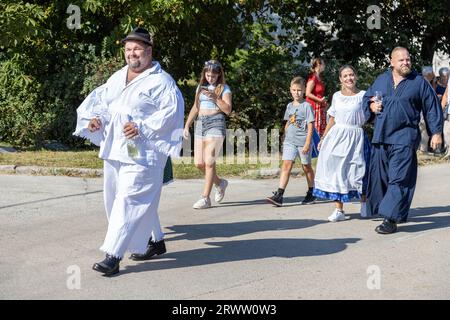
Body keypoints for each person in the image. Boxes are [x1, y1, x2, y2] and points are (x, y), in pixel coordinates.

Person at [73, 27, 184, 275]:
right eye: (128, 49)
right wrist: (95, 119)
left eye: (137, 49)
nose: (132, 54)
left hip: (143, 155)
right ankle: (155, 241)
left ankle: (112, 256)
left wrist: (142, 126)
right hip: (115, 149)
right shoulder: (118, 76)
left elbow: (172, 115)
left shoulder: (162, 82)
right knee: (115, 198)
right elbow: (104, 103)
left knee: (129, 199)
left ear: (149, 51)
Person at [363, 46, 443, 234]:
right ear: (392, 62)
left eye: (408, 59)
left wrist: (436, 132)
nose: (406, 62)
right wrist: (371, 106)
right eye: (401, 60)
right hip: (381, 136)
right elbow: (367, 98)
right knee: (382, 178)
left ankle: (390, 219)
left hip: (405, 137)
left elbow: (431, 107)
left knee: (399, 178)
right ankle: (397, 211)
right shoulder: (381, 80)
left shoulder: (418, 82)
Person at [313, 65, 371, 222]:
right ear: (340, 79)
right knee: (336, 172)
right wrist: (323, 138)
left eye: (351, 75)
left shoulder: (364, 95)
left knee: (359, 171)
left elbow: (372, 114)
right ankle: (339, 210)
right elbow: (332, 118)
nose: (349, 78)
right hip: (337, 137)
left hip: (356, 136)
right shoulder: (337, 96)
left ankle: (365, 204)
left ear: (356, 76)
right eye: (345, 76)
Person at [183, 60, 232, 209]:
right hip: (200, 124)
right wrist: (187, 125)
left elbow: (228, 110)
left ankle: (205, 198)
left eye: (213, 75)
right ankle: (220, 183)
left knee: (209, 162)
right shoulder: (200, 87)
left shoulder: (224, 88)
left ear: (219, 75)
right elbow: (195, 107)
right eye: (208, 75)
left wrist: (215, 98)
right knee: (199, 163)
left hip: (216, 123)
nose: (210, 78)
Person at [266, 76, 316, 206]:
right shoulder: (289, 105)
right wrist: (285, 134)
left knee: (306, 167)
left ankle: (312, 192)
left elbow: (311, 127)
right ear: (290, 90)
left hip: (303, 142)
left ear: (304, 90)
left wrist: (307, 144)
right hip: (290, 141)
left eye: (299, 90)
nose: (296, 93)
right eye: (294, 90)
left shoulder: (307, 106)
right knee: (286, 165)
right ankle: (279, 195)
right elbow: (288, 121)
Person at [306, 57, 328, 137]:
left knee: (319, 130)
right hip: (313, 107)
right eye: (323, 63)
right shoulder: (313, 77)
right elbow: (307, 93)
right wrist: (319, 100)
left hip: (319, 106)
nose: (324, 65)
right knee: (313, 128)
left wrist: (323, 102)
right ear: (318, 65)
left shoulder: (319, 77)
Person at [418, 66, 437, 152]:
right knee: (422, 130)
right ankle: (421, 149)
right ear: (429, 74)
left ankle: (422, 150)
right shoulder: (423, 83)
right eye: (432, 73)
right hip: (421, 111)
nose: (434, 75)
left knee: (424, 131)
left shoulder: (429, 82)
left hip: (424, 111)